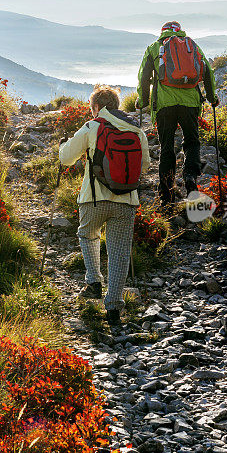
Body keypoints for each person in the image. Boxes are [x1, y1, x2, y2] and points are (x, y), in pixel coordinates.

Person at [59, 85, 150, 326]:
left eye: (92, 108)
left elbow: (66, 158)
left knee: (88, 234)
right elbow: (146, 166)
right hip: (127, 201)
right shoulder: (136, 130)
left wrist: (63, 145)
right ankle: (114, 307)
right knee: (119, 252)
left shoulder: (93, 126)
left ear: (97, 107)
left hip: (94, 199)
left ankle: (93, 282)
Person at [137, 21, 218, 208]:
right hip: (190, 103)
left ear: (162, 32)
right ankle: (190, 177)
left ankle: (166, 193)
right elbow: (208, 73)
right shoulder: (192, 46)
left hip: (165, 105)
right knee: (192, 141)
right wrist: (212, 98)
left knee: (166, 146)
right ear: (180, 30)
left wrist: (143, 102)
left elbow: (143, 76)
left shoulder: (155, 48)